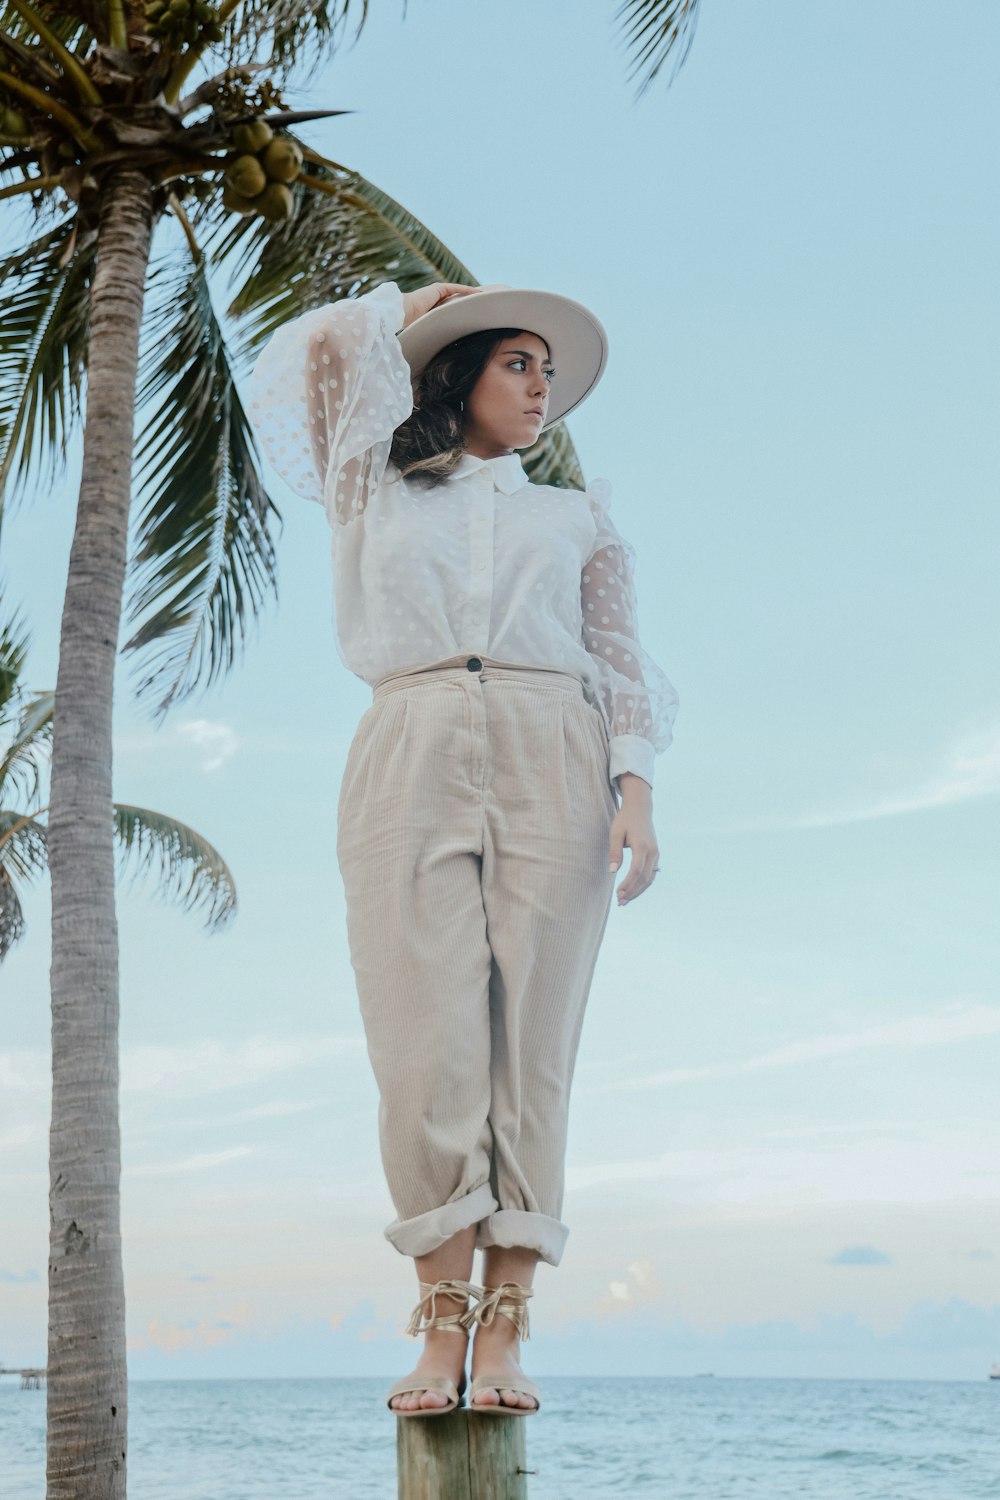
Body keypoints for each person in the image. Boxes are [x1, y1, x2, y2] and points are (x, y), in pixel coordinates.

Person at [247, 278, 679, 1419]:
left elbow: (621, 661)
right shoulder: (372, 490)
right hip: (411, 734)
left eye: (548, 370)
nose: (540, 389)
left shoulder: (577, 517)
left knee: (531, 1044)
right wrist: (403, 305)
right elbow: (317, 369)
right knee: (419, 1039)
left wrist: (632, 791)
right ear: (459, 373)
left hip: (555, 746)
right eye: (515, 364)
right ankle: (438, 1324)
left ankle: (506, 1333)